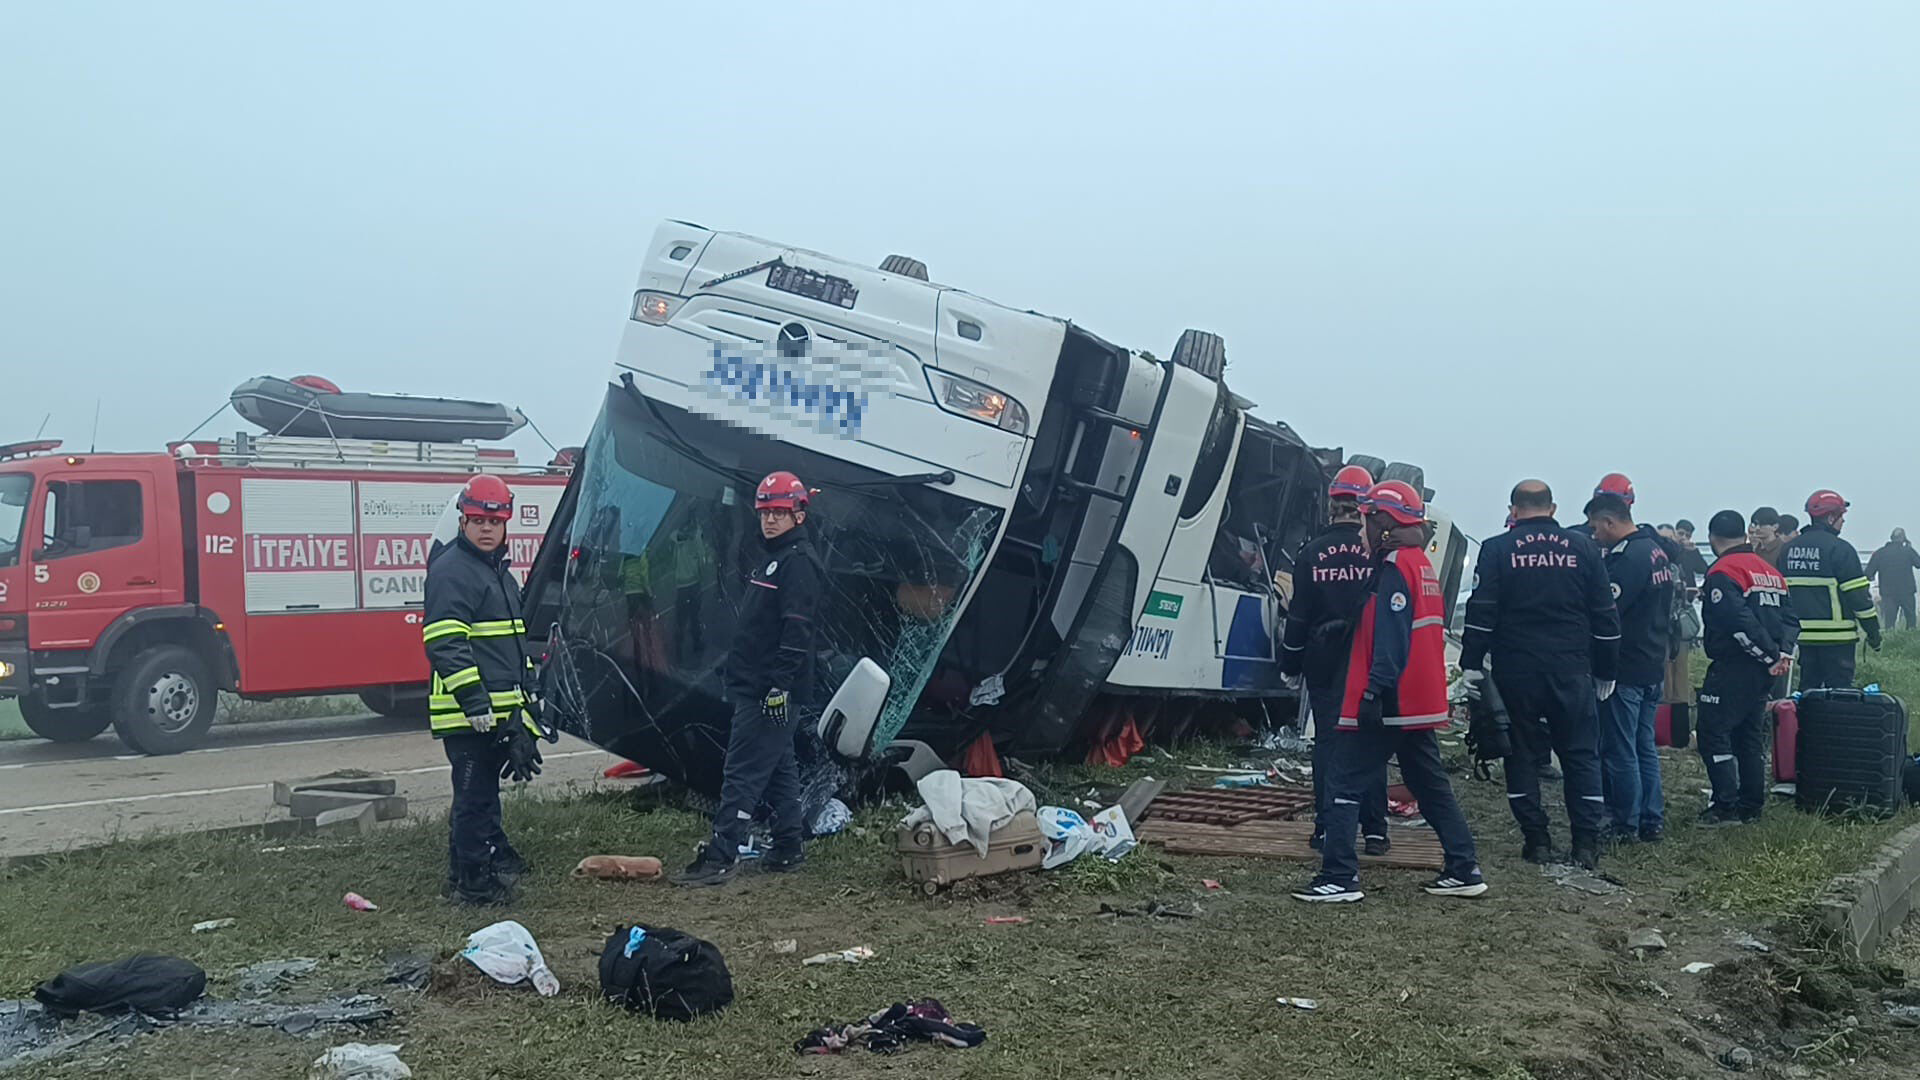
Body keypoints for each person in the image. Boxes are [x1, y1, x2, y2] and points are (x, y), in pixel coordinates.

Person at [1292, 482, 1486, 903]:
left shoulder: (1397, 567)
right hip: (1417, 701)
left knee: (1343, 780)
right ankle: (1463, 866)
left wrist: (1372, 692)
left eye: (1366, 519)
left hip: (1392, 701)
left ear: (1383, 522)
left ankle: (1339, 876)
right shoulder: (1419, 565)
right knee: (1429, 784)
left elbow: (1391, 640)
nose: (1360, 528)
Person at [1460, 480, 1620, 871]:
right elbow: (1605, 616)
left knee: (1522, 756)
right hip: (1572, 669)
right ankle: (1586, 844)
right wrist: (1607, 669)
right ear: (1553, 509)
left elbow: (1482, 613)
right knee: (1581, 757)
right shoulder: (1584, 547)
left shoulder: (1497, 549)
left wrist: (1470, 663)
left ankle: (1537, 841)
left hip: (1517, 671)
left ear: (1513, 510)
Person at [676, 471, 822, 887]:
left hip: (768, 691)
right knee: (779, 768)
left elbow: (798, 630)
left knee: (742, 770)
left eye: (779, 512)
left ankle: (722, 854)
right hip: (759, 685)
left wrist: (779, 685)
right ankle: (789, 847)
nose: (770, 520)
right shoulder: (775, 557)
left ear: (798, 514)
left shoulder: (797, 563)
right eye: (764, 512)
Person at [423, 474, 545, 906]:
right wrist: (474, 703)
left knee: (484, 799)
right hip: (467, 715)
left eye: (495, 521)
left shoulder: (498, 573)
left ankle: (485, 862)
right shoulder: (454, 571)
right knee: (473, 801)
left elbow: (514, 646)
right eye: (477, 520)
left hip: (497, 713)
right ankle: (471, 884)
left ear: (507, 522)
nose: (486, 528)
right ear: (462, 520)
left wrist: (526, 709)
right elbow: (444, 643)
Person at [1279, 464, 1389, 856]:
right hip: (1371, 662)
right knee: (1371, 742)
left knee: (1328, 744)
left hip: (1323, 662)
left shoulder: (1311, 553)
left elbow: (1299, 615)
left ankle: (1326, 828)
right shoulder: (1379, 554)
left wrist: (1290, 664)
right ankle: (1375, 831)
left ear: (1332, 506)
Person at [1585, 494, 1675, 845]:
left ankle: (1626, 823)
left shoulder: (1628, 558)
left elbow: (1607, 610)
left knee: (1620, 749)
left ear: (1609, 522)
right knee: (1644, 747)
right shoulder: (1656, 551)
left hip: (1626, 666)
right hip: (1652, 661)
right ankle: (1651, 819)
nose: (1594, 536)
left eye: (1596, 528)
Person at [1697, 510, 1797, 825]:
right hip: (1766, 668)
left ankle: (1725, 805)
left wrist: (1769, 656)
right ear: (1744, 535)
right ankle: (1751, 805)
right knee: (1748, 737)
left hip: (1736, 664)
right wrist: (1780, 654)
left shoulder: (1723, 571)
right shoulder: (1771, 572)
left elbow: (1737, 622)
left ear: (1713, 538)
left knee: (1713, 732)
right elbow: (1791, 619)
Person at [1782, 490, 1880, 689]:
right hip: (1838, 640)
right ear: (1830, 517)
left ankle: (1805, 721)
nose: (1843, 521)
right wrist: (1873, 633)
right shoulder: (1841, 549)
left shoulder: (1787, 550)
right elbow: (1859, 598)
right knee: (1839, 695)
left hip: (1803, 639)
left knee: (1808, 692)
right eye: (1841, 516)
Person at [1867, 528, 1920, 631]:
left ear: (1891, 538)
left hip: (1888, 594)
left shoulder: (1880, 553)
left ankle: (1890, 644)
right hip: (1907, 592)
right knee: (1911, 624)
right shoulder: (1908, 551)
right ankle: (1910, 645)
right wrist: (1909, 546)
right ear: (1903, 538)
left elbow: (1869, 573)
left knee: (1889, 625)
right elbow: (1918, 564)